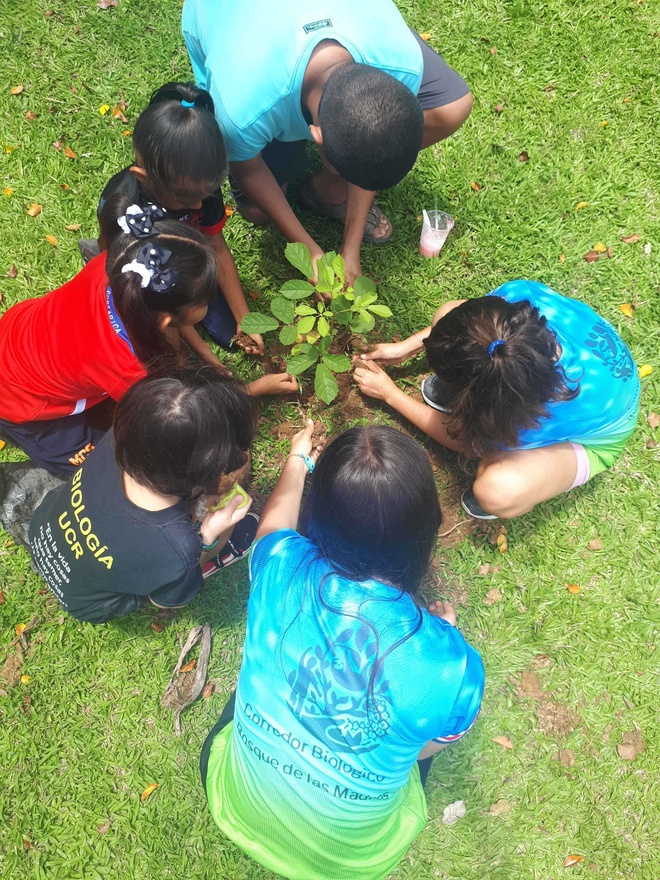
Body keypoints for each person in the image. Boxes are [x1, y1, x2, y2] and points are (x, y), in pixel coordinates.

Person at [201, 421, 484, 880]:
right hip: (349, 863)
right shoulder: (454, 669)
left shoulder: (276, 564)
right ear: (426, 531)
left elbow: (273, 524)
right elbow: (421, 752)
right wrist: (441, 634)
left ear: (320, 518)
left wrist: (298, 460)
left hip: (235, 804)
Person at [0, 197, 295, 476]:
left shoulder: (124, 268)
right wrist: (250, 391)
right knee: (112, 469)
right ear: (166, 319)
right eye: (204, 303)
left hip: (20, 334)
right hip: (23, 403)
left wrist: (204, 352)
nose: (208, 304)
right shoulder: (129, 368)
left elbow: (168, 318)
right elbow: (178, 413)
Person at [182, 0, 473, 283]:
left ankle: (327, 190)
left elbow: (373, 146)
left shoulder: (401, 63)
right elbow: (247, 169)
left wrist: (351, 246)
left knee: (452, 108)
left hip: (351, 18)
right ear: (315, 135)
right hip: (229, 18)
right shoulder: (243, 111)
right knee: (257, 211)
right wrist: (310, 251)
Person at [354, 280, 641, 519]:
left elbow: (466, 443)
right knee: (447, 313)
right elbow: (470, 324)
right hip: (600, 376)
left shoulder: (538, 413)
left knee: (496, 487)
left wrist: (391, 395)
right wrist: (404, 348)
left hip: (599, 432)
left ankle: (520, 490)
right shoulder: (517, 302)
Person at [28, 368, 259, 624]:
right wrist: (207, 538)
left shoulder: (125, 435)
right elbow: (167, 600)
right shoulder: (178, 547)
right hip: (88, 603)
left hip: (42, 528)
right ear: (203, 471)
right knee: (180, 573)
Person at [97, 81, 267, 355]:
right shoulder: (129, 215)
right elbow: (160, 300)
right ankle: (99, 258)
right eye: (187, 200)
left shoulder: (196, 184)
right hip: (149, 276)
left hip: (179, 263)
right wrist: (208, 358)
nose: (199, 204)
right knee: (160, 343)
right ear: (144, 178)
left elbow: (216, 246)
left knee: (226, 332)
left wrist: (245, 320)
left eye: (206, 194)